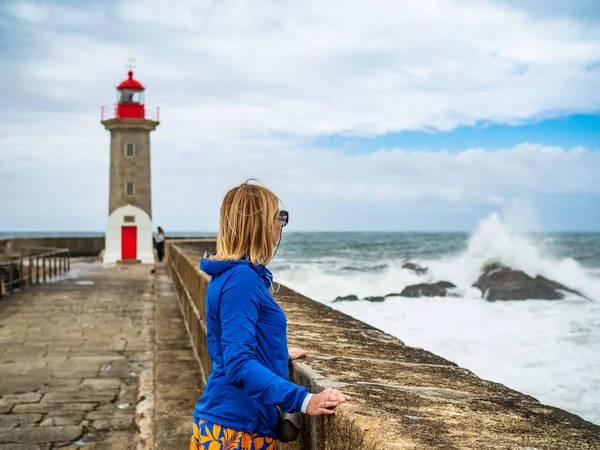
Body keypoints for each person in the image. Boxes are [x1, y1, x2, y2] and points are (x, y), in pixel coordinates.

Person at [190, 180, 351, 449]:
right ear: (261, 223)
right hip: (236, 430)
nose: (281, 225)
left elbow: (230, 339)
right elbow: (238, 364)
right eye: (279, 217)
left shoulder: (230, 274)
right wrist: (304, 400)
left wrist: (275, 351)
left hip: (234, 424)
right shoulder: (241, 279)